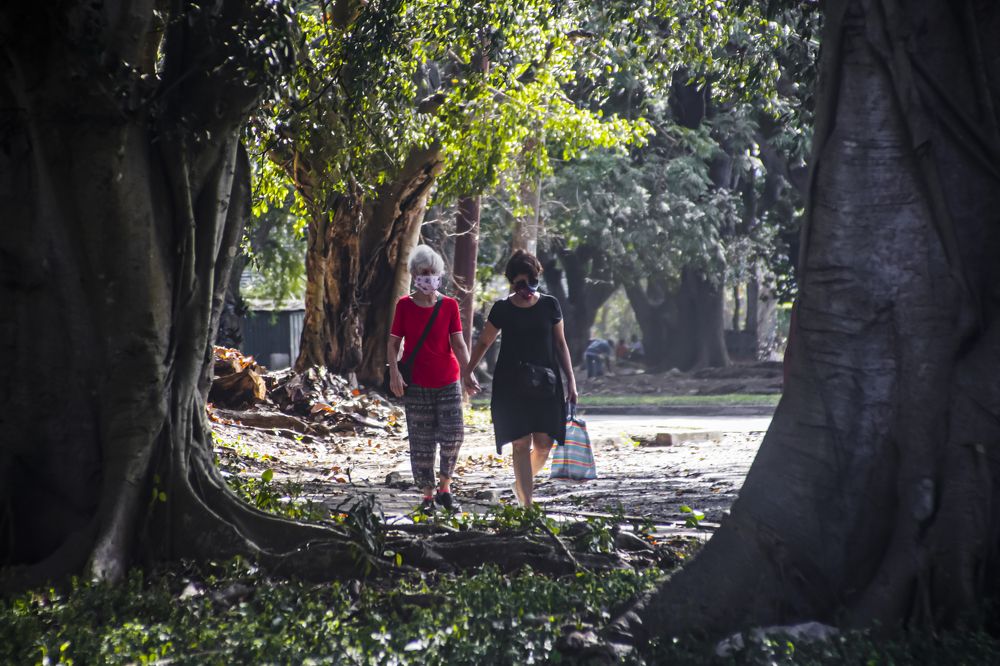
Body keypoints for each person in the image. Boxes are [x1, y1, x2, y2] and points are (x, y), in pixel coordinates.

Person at [465, 250, 578, 506]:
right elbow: (484, 342)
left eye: (532, 281)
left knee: (543, 443)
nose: (527, 289)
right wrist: (467, 370)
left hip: (546, 383)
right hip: (512, 383)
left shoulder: (550, 305)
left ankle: (520, 483)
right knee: (520, 442)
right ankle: (527, 506)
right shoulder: (502, 308)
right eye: (520, 283)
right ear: (512, 282)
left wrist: (571, 380)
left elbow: (561, 344)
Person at [387, 245, 470, 514]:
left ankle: (445, 488)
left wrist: (468, 373)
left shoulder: (449, 306)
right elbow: (393, 343)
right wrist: (394, 373)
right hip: (417, 385)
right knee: (421, 442)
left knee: (454, 434)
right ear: (414, 274)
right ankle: (427, 496)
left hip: (448, 381)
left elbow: (458, 343)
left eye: (434, 273)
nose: (429, 278)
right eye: (424, 273)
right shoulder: (404, 306)